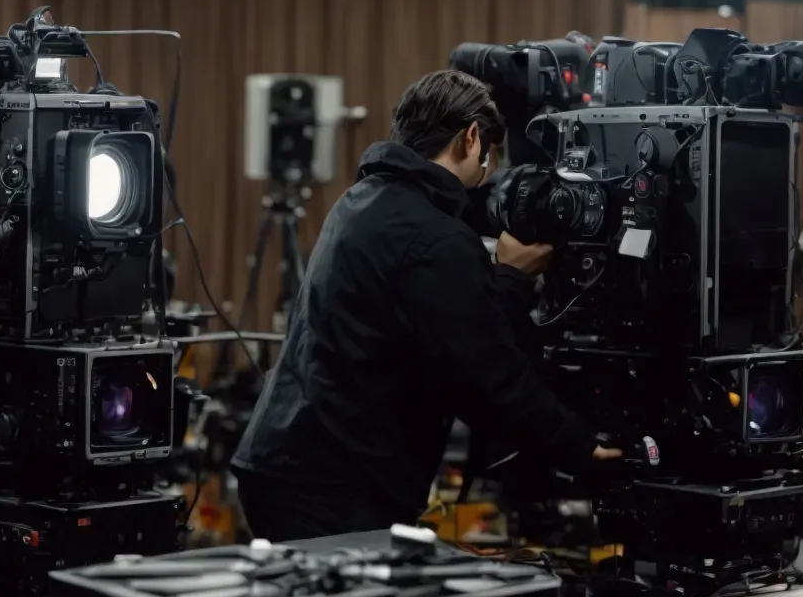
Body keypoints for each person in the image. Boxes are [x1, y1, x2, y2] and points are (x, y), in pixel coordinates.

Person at [230, 69, 620, 541]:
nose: (487, 172)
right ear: (471, 136)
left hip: (287, 465)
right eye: (490, 155)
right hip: (332, 485)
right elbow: (487, 376)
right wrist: (581, 447)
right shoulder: (435, 239)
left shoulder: (362, 201)